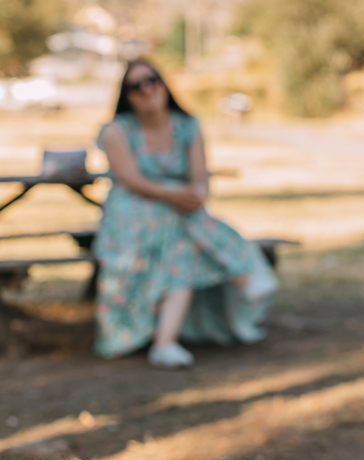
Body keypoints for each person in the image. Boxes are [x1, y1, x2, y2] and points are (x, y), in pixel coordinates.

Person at [93, 59, 277, 368]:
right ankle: (244, 276)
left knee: (179, 235)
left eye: (152, 80)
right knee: (179, 228)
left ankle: (166, 342)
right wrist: (175, 194)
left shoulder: (187, 126)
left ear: (163, 83)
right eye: (136, 86)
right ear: (126, 95)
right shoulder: (116, 131)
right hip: (132, 214)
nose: (146, 89)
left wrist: (196, 193)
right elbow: (130, 180)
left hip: (178, 213)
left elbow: (200, 177)